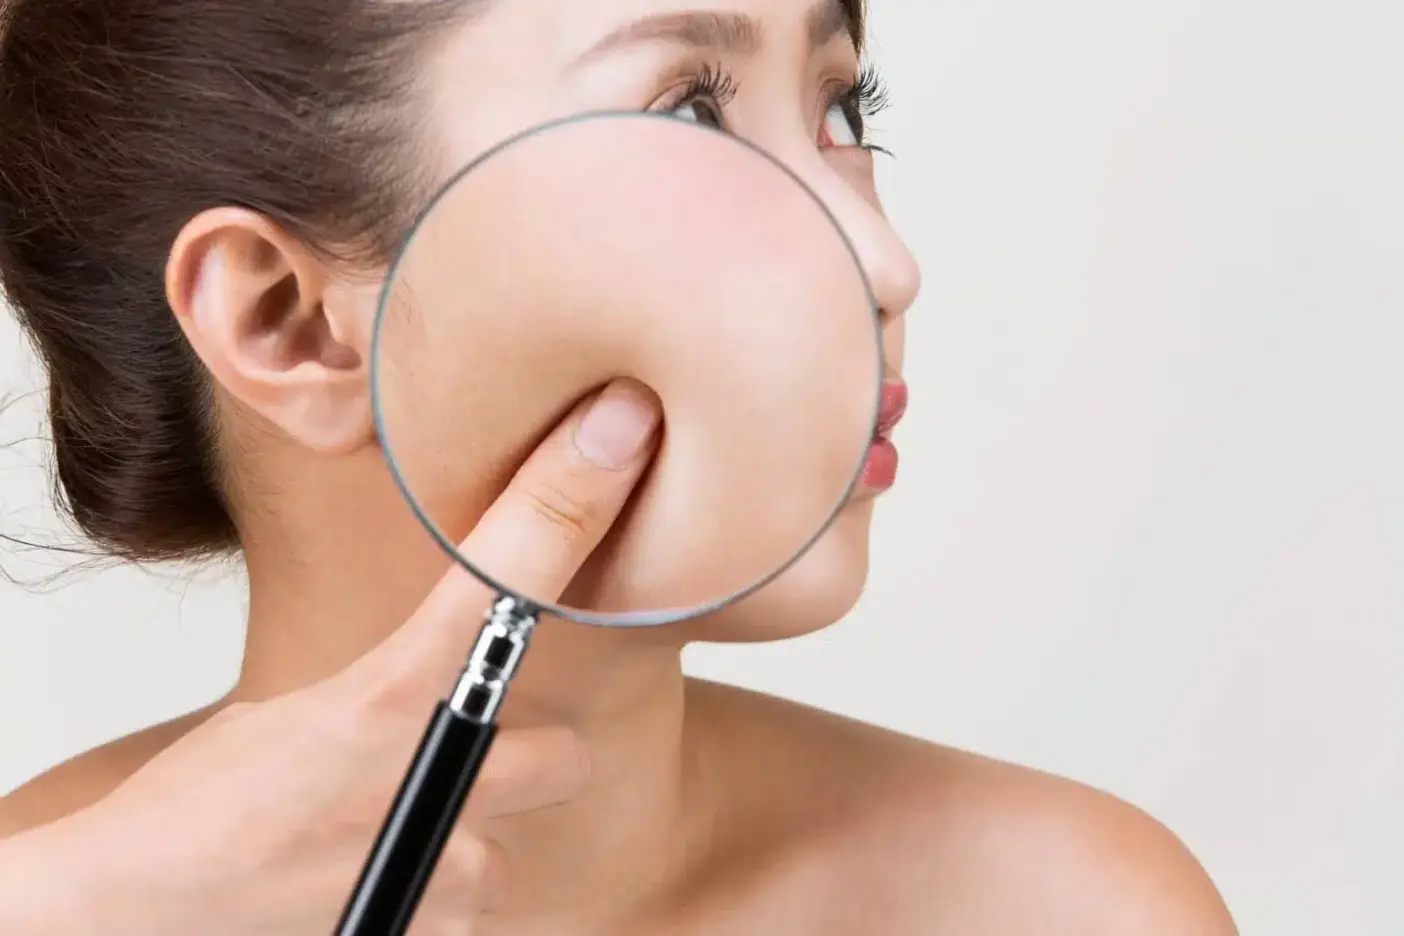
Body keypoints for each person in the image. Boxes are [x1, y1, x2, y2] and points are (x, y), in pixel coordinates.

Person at [0, 0, 1239, 933]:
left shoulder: (1065, 906)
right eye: (691, 115)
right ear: (290, 320)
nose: (880, 261)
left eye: (840, 113)